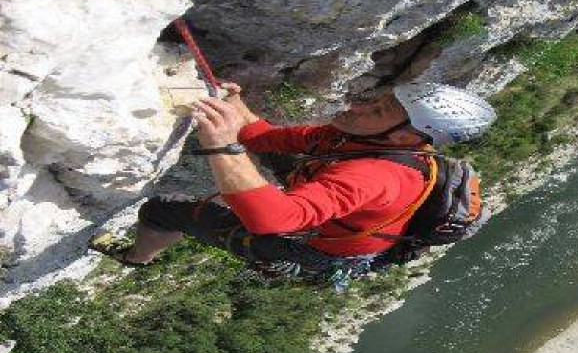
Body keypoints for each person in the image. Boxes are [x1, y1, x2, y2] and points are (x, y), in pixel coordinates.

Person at [91, 81, 496, 286]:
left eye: (379, 110)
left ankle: (136, 259)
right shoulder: (348, 137)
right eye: (377, 99)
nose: (358, 106)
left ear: (406, 138)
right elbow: (266, 138)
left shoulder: (375, 175)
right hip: (336, 208)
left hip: (312, 252)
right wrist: (237, 108)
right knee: (273, 160)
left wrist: (221, 147)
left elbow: (275, 219)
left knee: (162, 209)